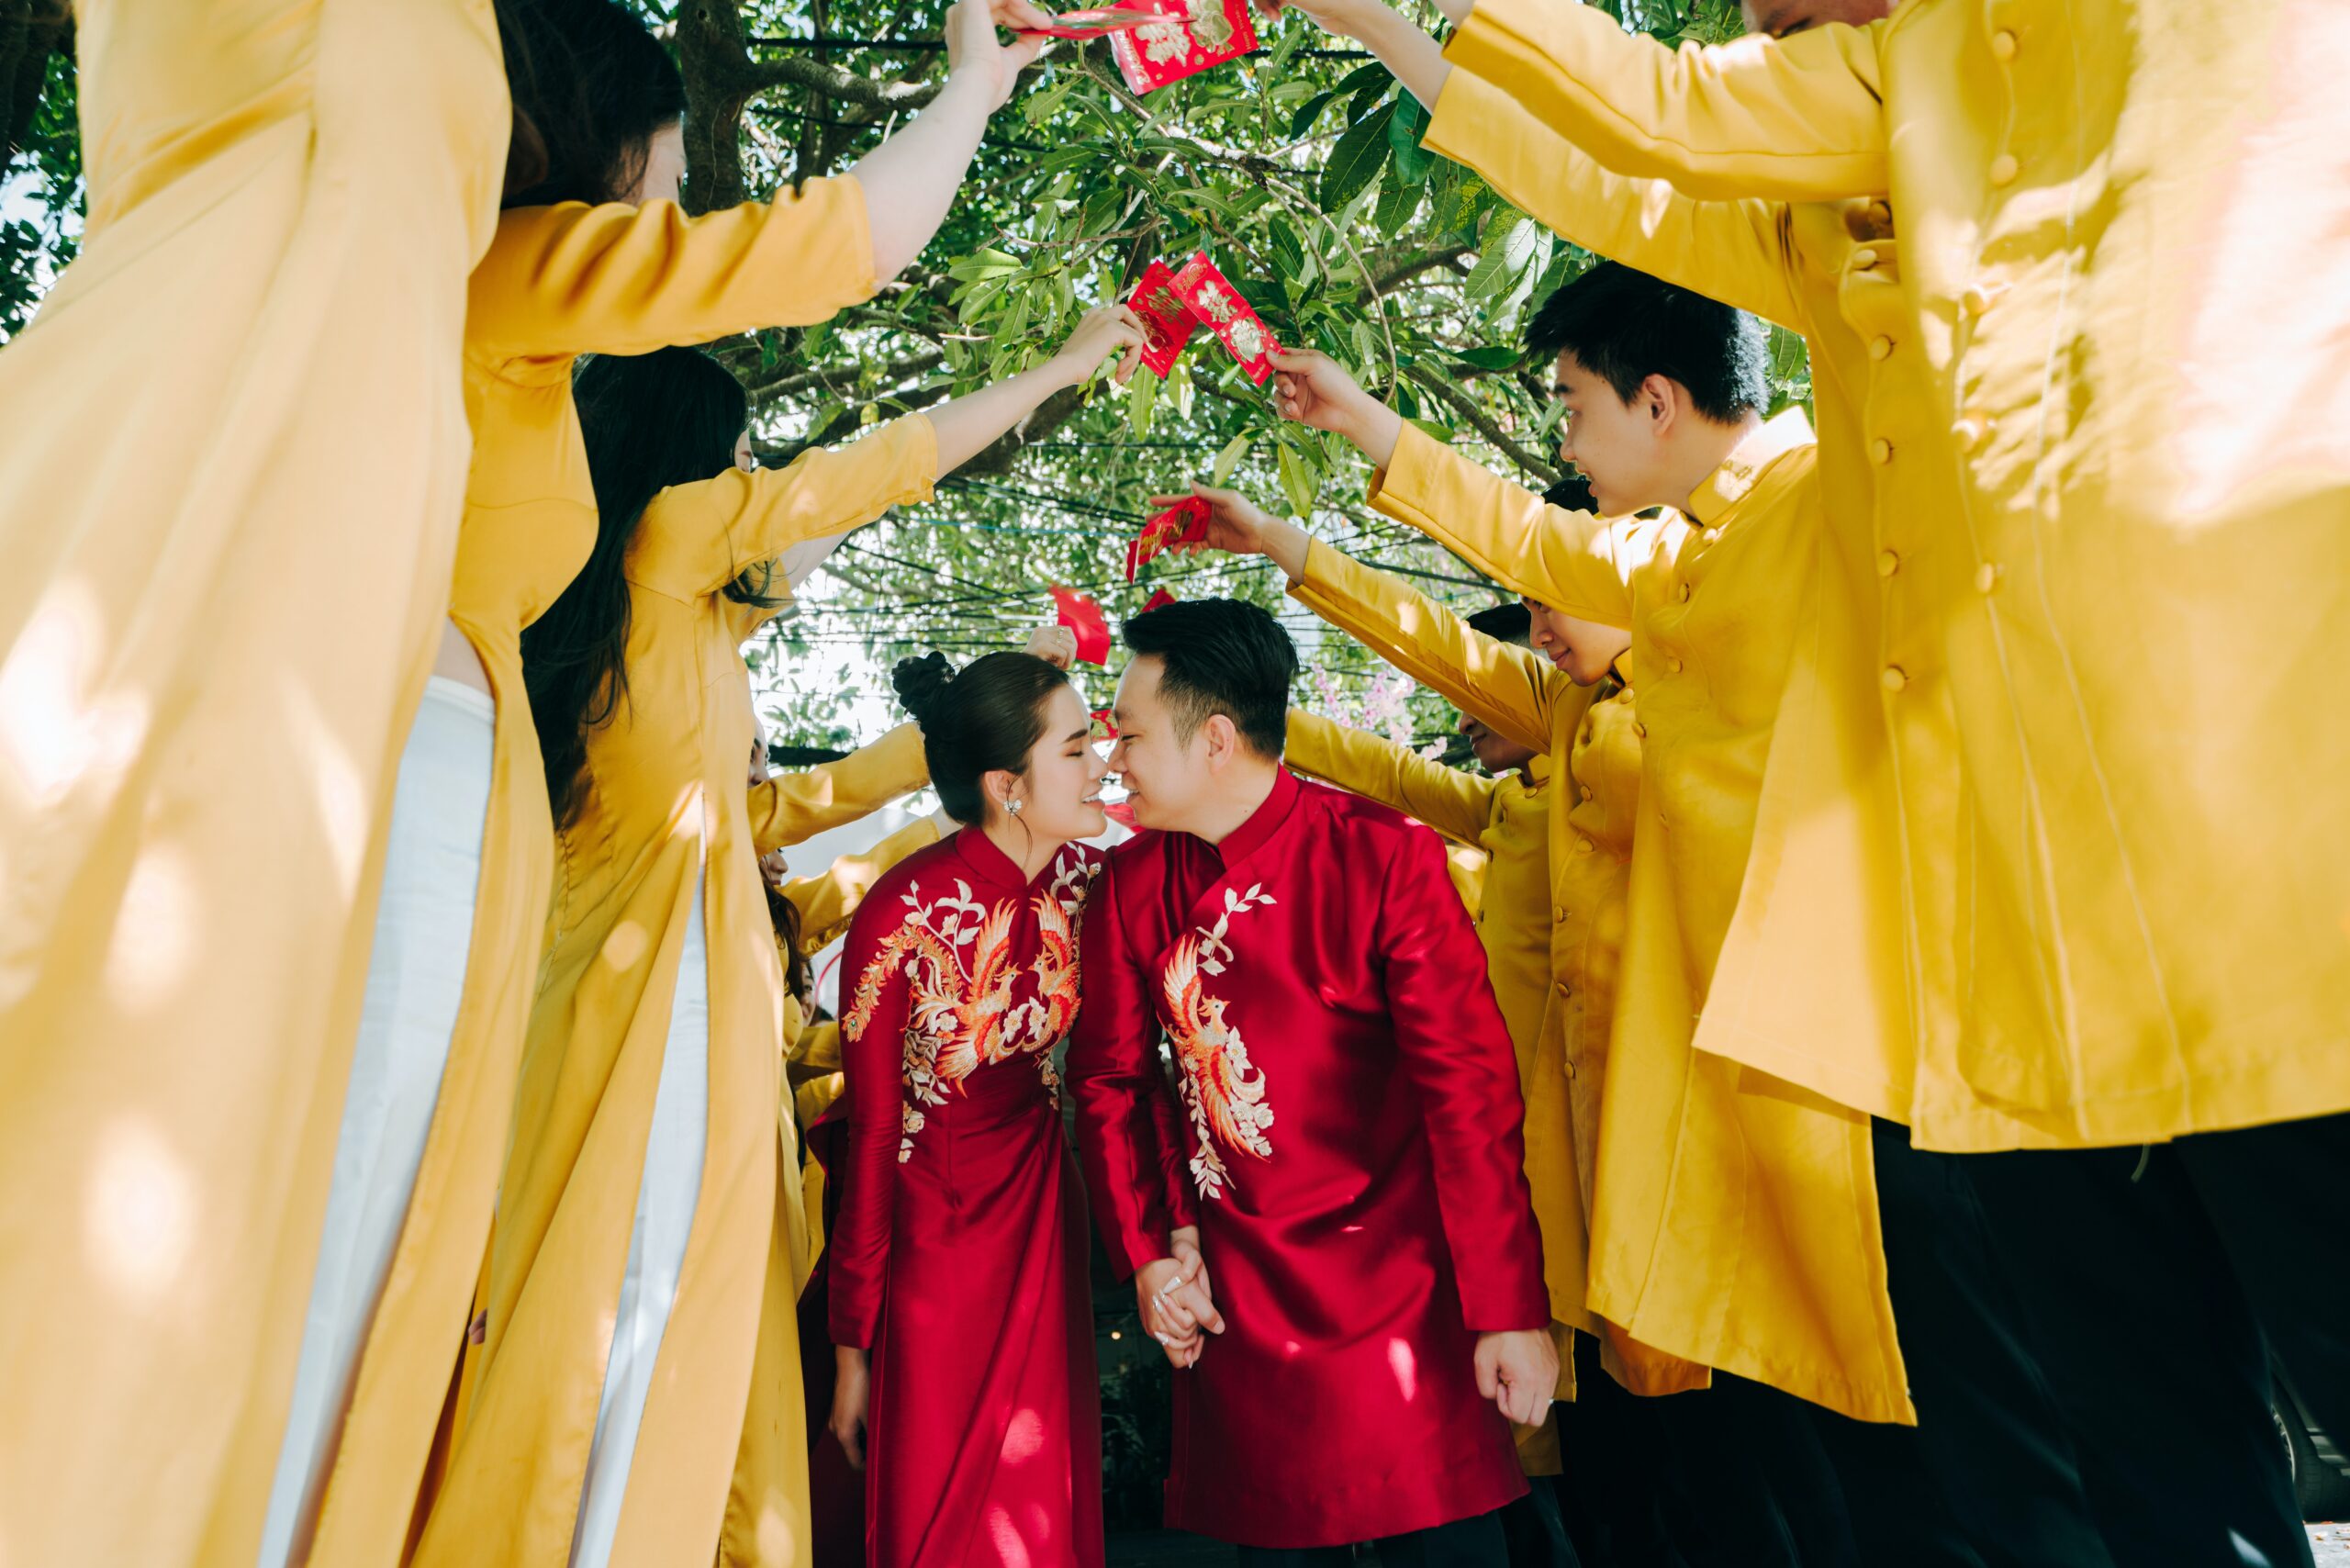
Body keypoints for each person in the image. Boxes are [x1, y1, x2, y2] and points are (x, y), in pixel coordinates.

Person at [1355, 0, 2350, 1521]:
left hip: (2273, 888)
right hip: (2014, 967)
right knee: (2152, 1473)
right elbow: (1637, 154)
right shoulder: (1864, 166)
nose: (1765, 18)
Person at [1270, 262, 2125, 1565]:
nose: (1565, 445)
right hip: (1701, 1107)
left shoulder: (1812, 502)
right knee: (1798, 1473)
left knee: (1947, 1461)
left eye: (1570, 407)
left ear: (1658, 401)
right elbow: (1496, 609)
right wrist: (1313, 520)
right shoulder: (1664, 600)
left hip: (1870, 1075)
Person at [425, 306, 1141, 1568]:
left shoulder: (598, 608)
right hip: (658, 1043)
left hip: (580, 1024)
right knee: (651, 1324)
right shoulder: (675, 536)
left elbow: (785, 804)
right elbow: (873, 477)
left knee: (585, 1326)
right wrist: (1062, 366)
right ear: (694, 465)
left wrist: (972, 729)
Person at [0, 1, 505, 1560]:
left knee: (195, 1194)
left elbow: (787, 255)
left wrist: (975, 82)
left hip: (323, 605)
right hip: (192, 477)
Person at [1066, 596, 1556, 1565]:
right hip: (1237, 1293)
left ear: (1214, 738)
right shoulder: (1126, 887)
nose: (1109, 759)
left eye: (1124, 733)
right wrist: (1153, 1251)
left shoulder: (1383, 856)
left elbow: (1470, 1096)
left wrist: (1507, 1309)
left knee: (1444, 1544)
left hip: (1402, 1283)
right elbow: (1111, 1085)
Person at [825, 639, 1113, 1568]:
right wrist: (851, 1347)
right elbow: (871, 1134)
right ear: (1007, 785)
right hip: (934, 1251)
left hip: (1039, 1209)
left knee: (1037, 1496)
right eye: (1074, 748)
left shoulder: (1089, 883)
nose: (1098, 761)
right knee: (946, 1515)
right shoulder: (898, 917)